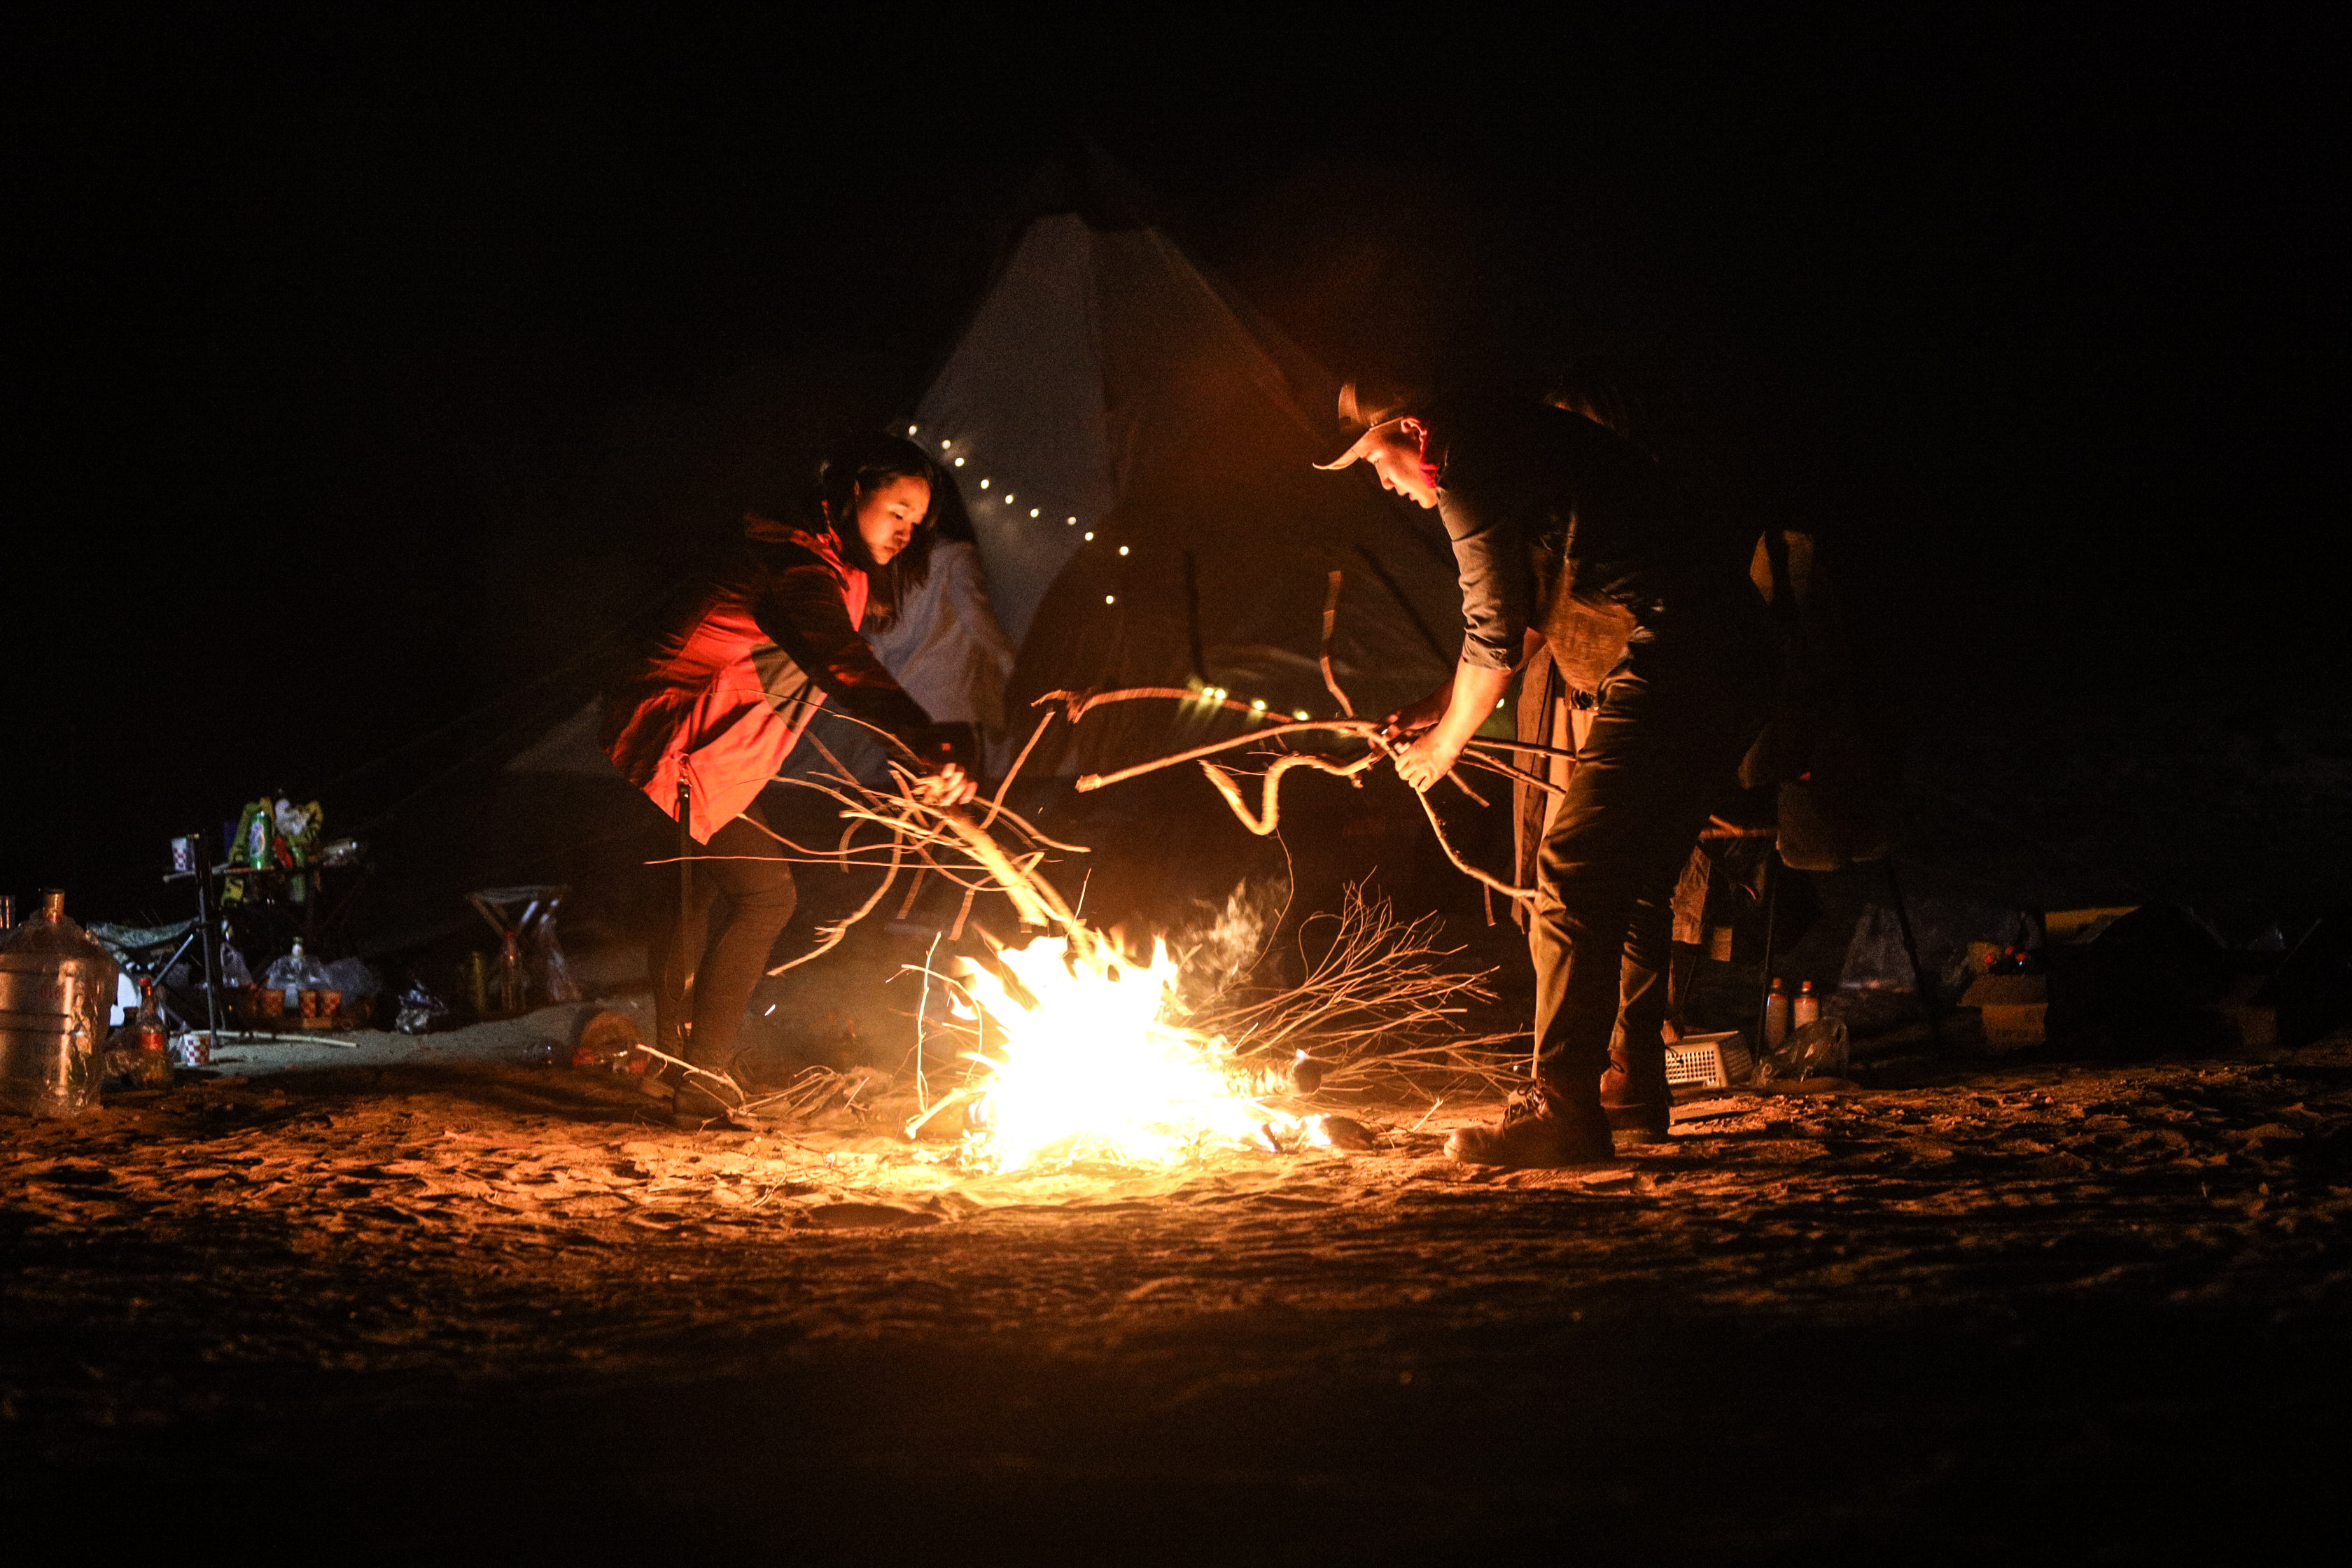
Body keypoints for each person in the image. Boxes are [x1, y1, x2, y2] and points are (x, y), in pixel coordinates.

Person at [1315, 373, 1774, 1166]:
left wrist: (1444, 747)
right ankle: (1628, 1085)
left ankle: (1563, 1109)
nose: (1382, 481)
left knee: (1573, 869)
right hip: (1728, 653)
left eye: (1377, 458)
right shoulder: (1508, 441)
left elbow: (1492, 635)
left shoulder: (1468, 465)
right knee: (1630, 880)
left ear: (1415, 431)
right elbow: (1530, 611)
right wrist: (1438, 704)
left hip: (1680, 651)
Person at [602, 433, 976, 1124]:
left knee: (700, 894)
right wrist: (927, 735)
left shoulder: (825, 563)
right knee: (765, 892)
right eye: (896, 509)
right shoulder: (797, 565)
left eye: (916, 522)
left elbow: (841, 659)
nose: (905, 530)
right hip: (677, 732)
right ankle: (702, 1072)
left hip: (692, 736)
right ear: (852, 491)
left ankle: (673, 1065)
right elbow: (841, 661)